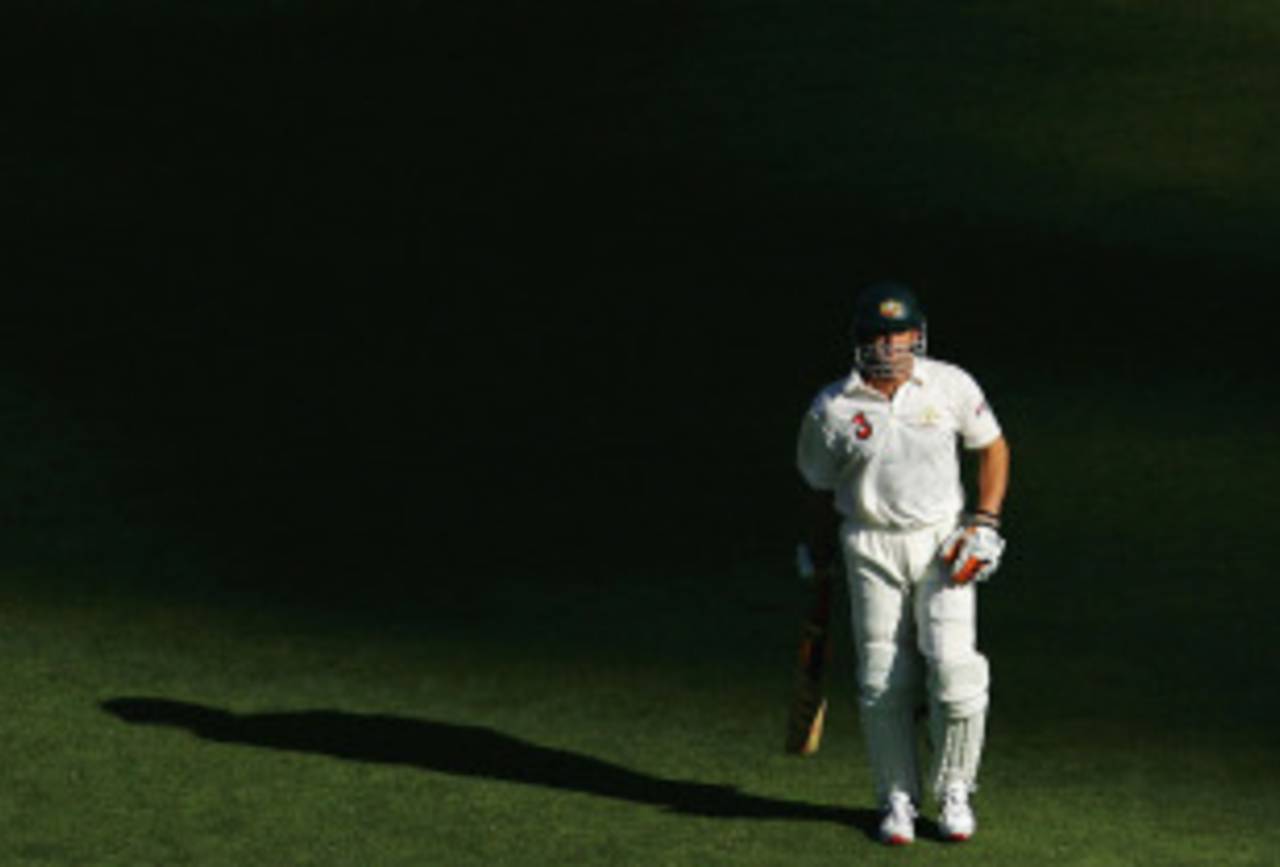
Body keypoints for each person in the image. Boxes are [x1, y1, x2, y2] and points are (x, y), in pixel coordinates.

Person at [795, 281, 1010, 845]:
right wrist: (816, 551)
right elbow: (817, 488)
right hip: (869, 543)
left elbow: (992, 447)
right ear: (860, 340)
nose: (890, 347)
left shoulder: (950, 383)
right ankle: (897, 797)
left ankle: (956, 790)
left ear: (918, 334)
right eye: (878, 336)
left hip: (943, 541)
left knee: (954, 669)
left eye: (900, 334)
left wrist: (984, 522)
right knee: (881, 678)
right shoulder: (831, 408)